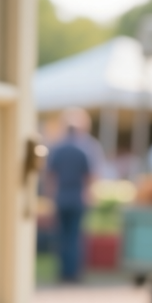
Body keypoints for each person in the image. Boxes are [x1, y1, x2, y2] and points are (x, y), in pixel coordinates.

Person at [44, 108, 98, 283]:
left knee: (62, 236)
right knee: (74, 236)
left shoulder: (57, 148)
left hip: (61, 196)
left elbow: (50, 176)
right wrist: (89, 195)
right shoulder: (84, 149)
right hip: (77, 197)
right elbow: (90, 177)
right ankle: (73, 273)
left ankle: (63, 272)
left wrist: (51, 196)